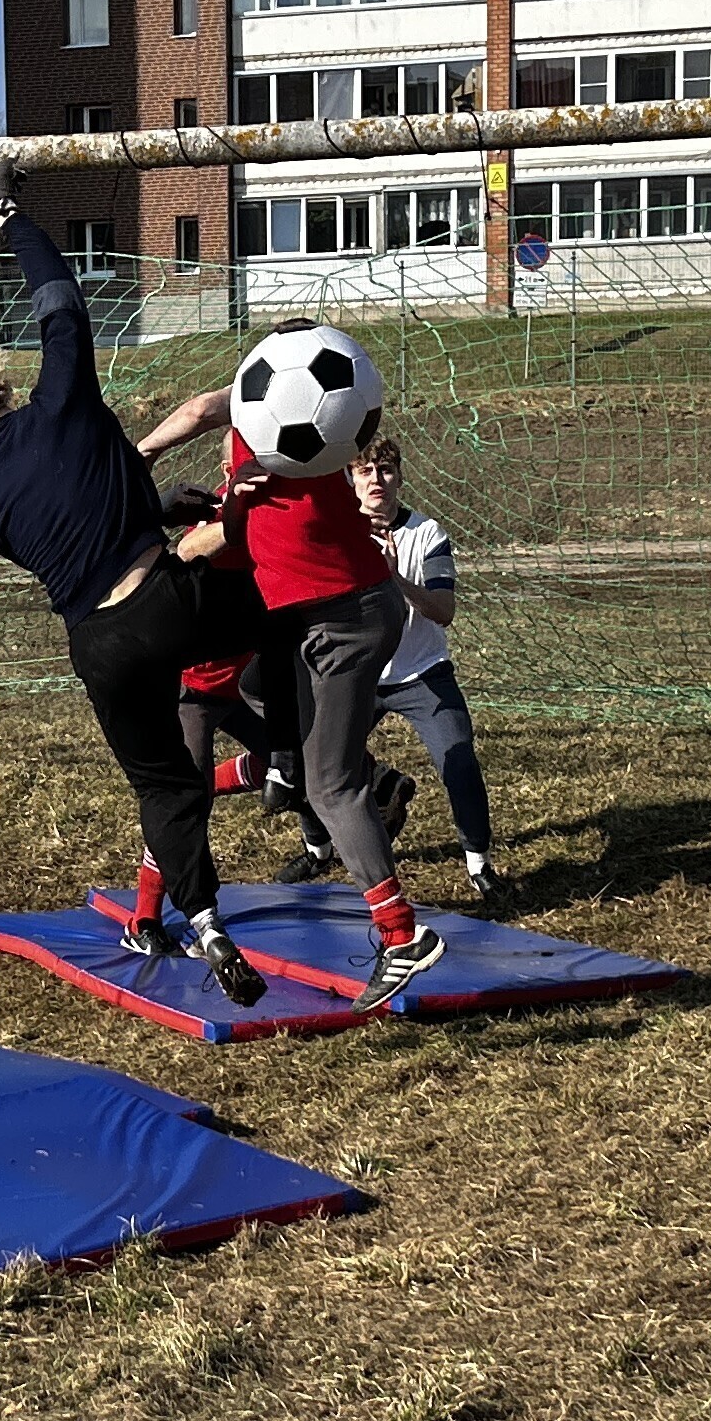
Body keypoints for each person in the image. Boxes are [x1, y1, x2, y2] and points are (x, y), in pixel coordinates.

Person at [0, 166, 271, 1006]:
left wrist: (153, 504)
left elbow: (78, 532)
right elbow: (60, 298)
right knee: (293, 611)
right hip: (164, 600)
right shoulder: (61, 400)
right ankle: (301, 760)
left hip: (99, 650)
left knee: (162, 786)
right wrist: (9, 213)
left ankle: (206, 922)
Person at [159, 333, 443, 1012]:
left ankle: (401, 934)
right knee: (259, 685)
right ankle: (292, 765)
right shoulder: (293, 424)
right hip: (325, 615)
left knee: (332, 786)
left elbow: (216, 515)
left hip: (345, 621)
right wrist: (199, 482)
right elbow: (208, 422)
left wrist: (148, 487)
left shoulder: (281, 443)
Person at [345, 437, 501, 901]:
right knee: (317, 763)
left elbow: (443, 610)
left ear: (400, 477)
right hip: (356, 675)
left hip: (422, 671)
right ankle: (317, 848)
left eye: (386, 470)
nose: (376, 480)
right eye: (365, 471)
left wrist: (394, 577)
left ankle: (479, 862)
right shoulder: (337, 531)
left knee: (458, 758)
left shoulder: (427, 533)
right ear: (350, 479)